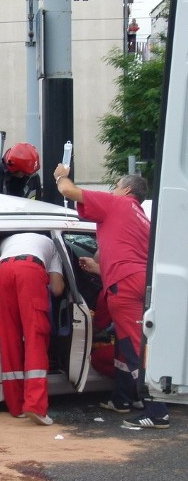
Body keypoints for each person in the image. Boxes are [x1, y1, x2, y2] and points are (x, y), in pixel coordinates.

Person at [54, 167, 170, 428]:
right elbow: (127, 252)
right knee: (126, 343)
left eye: (115, 185)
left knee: (133, 346)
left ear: (127, 190)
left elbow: (68, 191)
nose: (112, 190)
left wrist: (61, 174)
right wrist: (99, 268)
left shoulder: (118, 203)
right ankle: (123, 398)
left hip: (125, 286)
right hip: (141, 282)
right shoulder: (141, 217)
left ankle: (157, 411)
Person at [0, 232, 65, 426]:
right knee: (35, 336)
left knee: (9, 337)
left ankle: (16, 406)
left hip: (1, 271)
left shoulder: (6, 240)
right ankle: (35, 405)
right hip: (30, 269)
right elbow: (57, 289)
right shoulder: (52, 243)